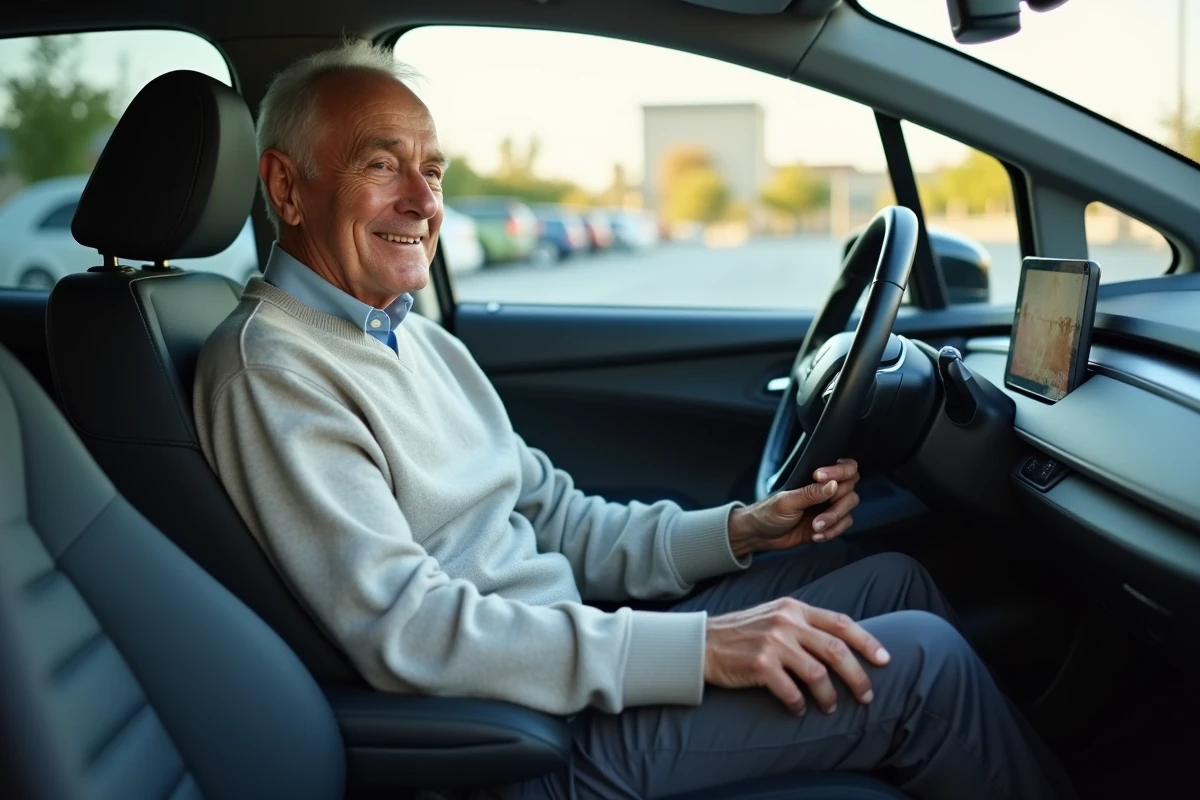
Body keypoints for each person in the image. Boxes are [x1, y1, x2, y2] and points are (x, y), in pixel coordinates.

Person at [193, 41, 1075, 800]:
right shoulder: (273, 369)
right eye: (382, 163)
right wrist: (699, 648)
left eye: (433, 169)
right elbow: (408, 631)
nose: (425, 204)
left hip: (561, 674)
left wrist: (742, 531)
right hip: (518, 747)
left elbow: (560, 521)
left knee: (888, 583)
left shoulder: (409, 338)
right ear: (287, 186)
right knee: (920, 666)